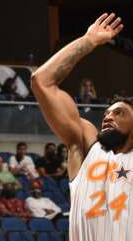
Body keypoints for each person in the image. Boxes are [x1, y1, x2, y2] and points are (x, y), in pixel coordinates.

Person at [31, 13, 132, 239]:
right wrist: (89, 41)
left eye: (119, 113)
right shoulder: (87, 146)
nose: (108, 117)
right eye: (106, 113)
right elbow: (42, 81)